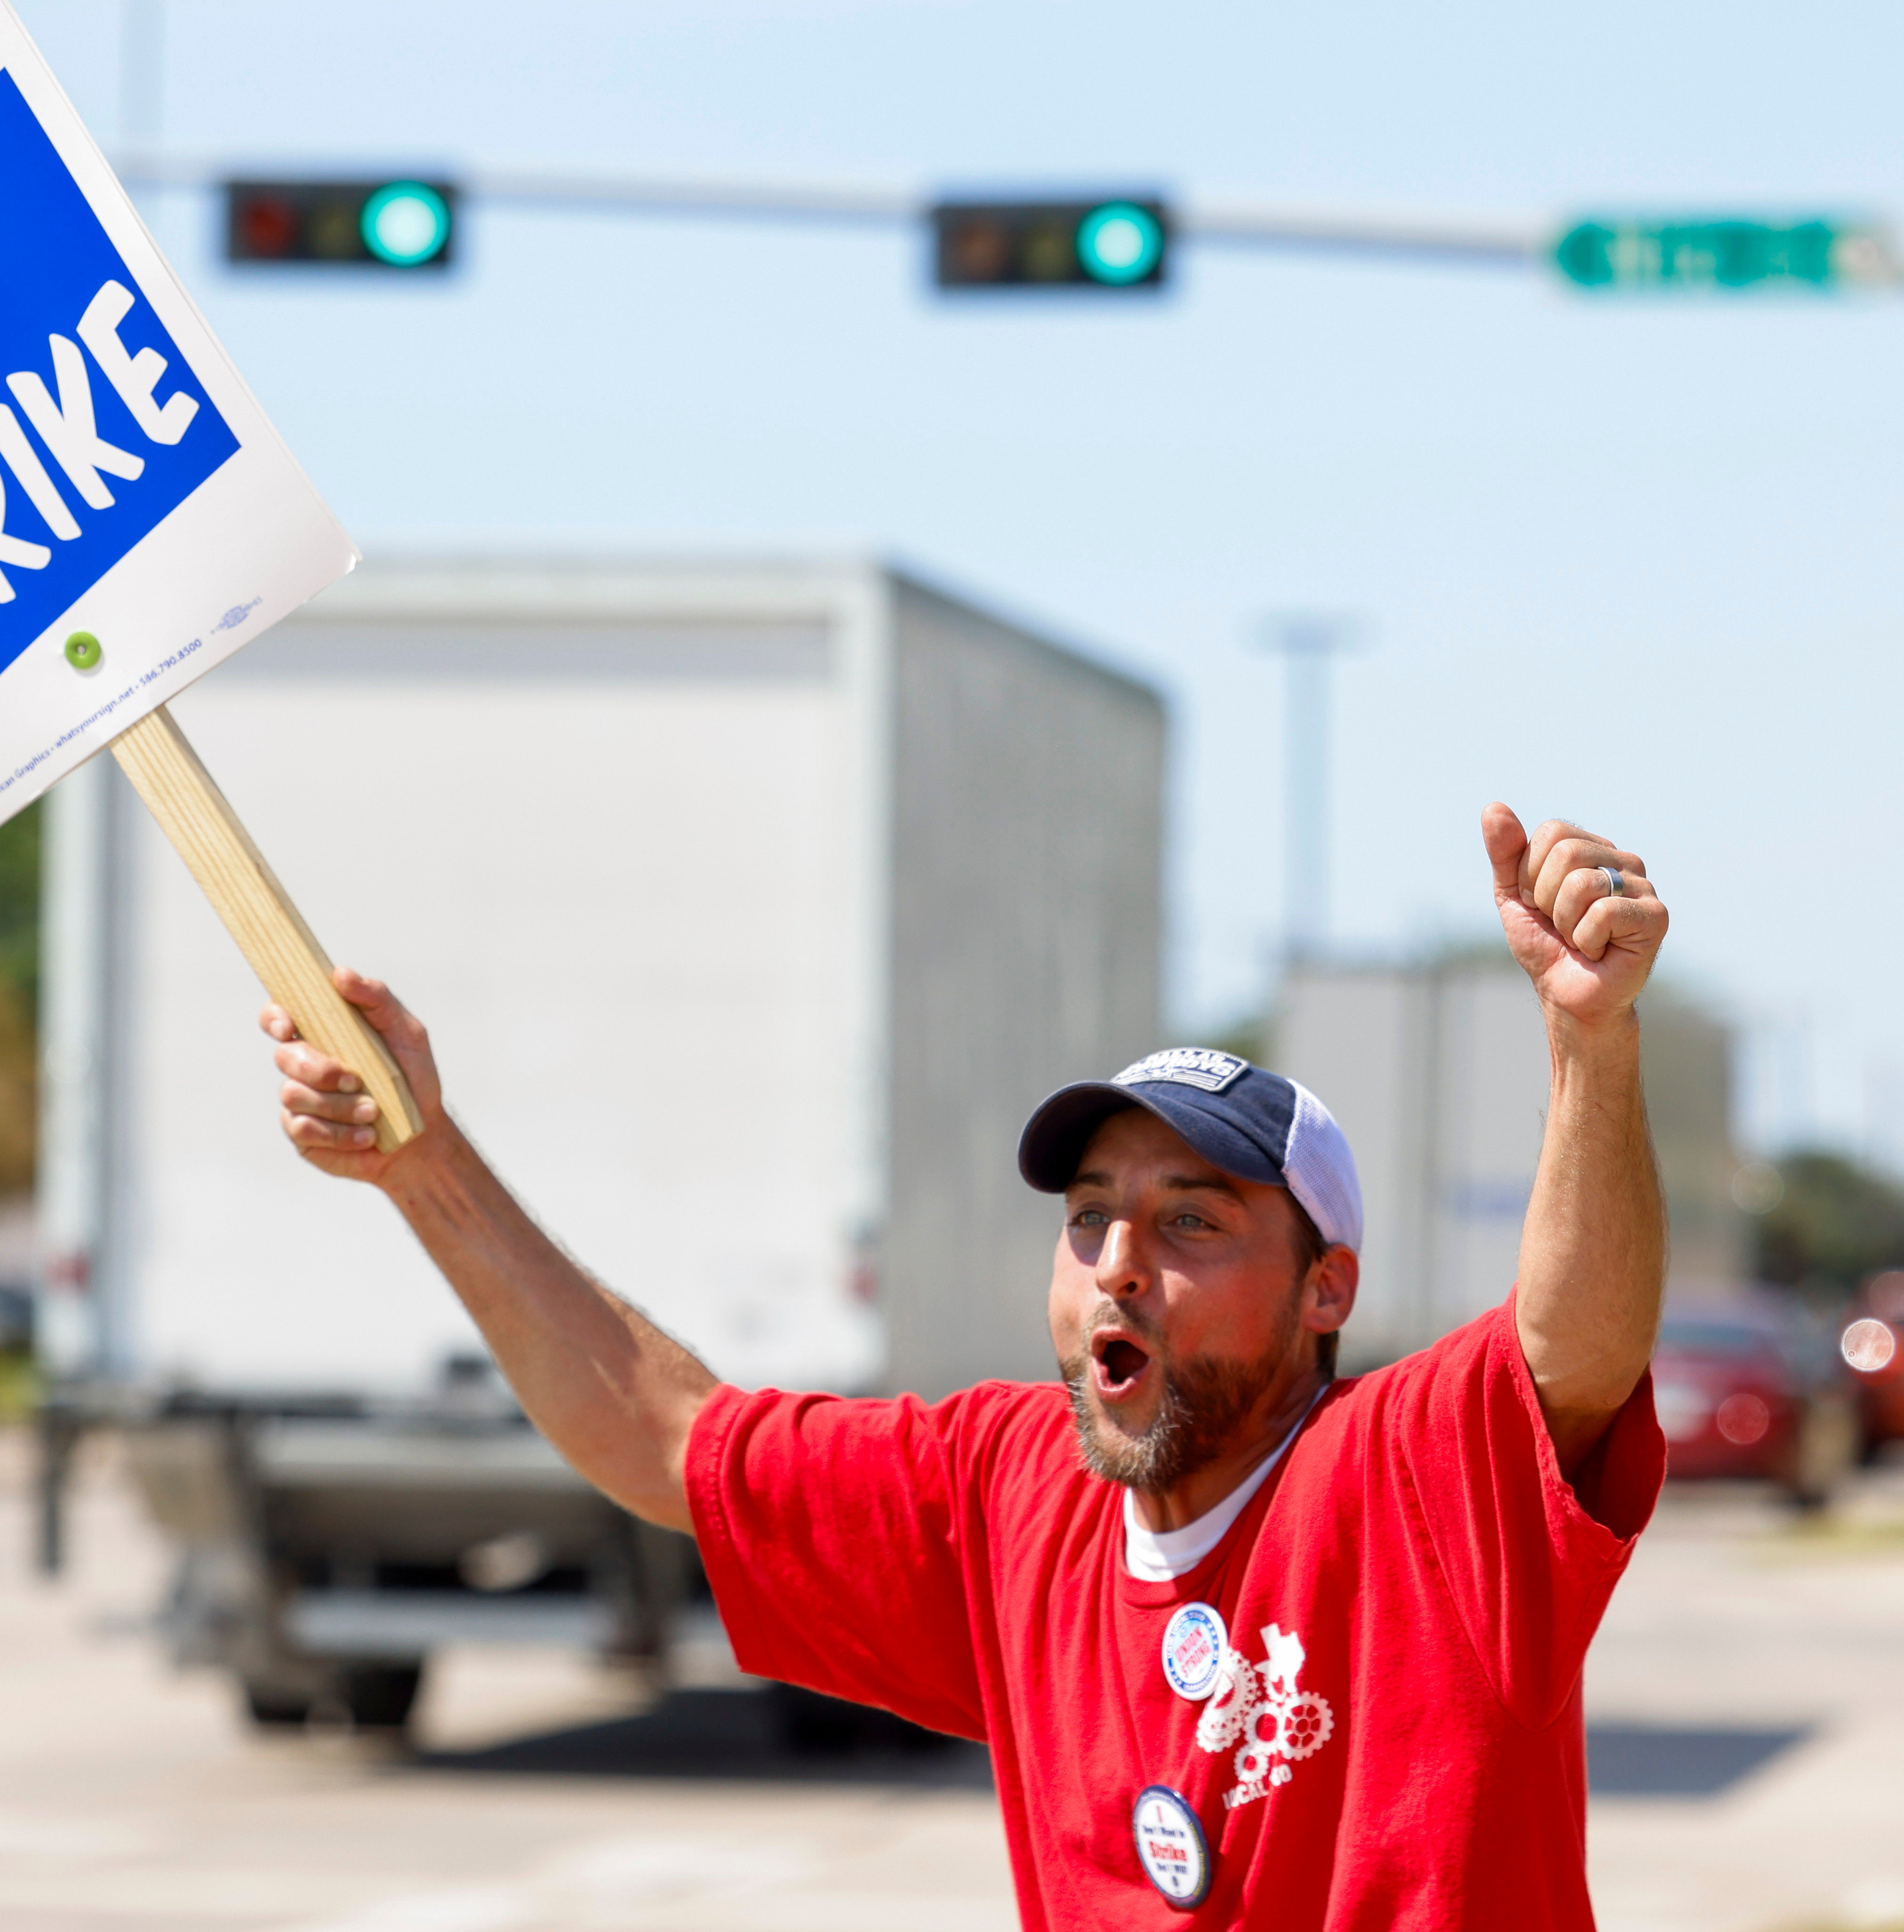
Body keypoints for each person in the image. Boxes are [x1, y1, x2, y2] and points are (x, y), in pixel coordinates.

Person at [258, 805, 1669, 1930]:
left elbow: (1574, 1337)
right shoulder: (1006, 1492)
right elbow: (665, 1434)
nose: (1118, 1259)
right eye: (1089, 1216)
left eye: (1191, 1219)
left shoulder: (1418, 1477)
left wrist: (1588, 1044)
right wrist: (426, 1167)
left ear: (1327, 1290)